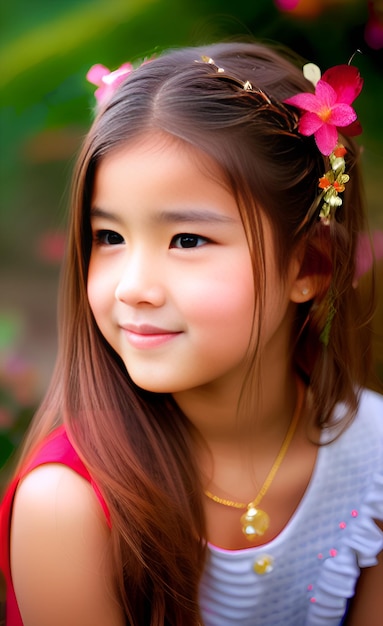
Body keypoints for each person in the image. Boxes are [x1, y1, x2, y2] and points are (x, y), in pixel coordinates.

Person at [0, 40, 382, 626]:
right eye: (109, 237)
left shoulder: (373, 460)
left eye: (187, 241)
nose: (133, 287)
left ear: (308, 267)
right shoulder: (69, 505)